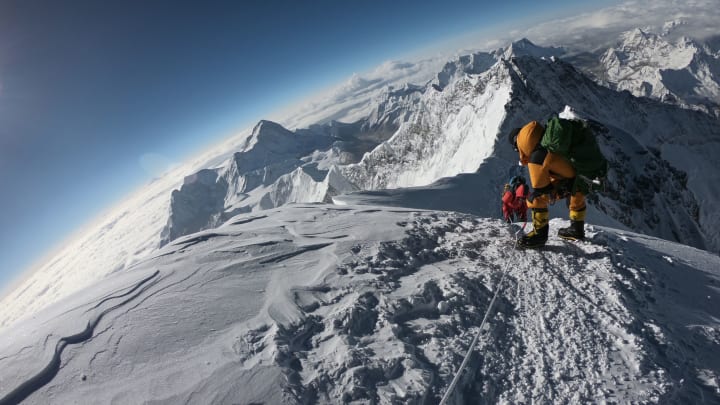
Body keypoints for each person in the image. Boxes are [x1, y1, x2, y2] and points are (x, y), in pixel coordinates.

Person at [508, 116, 607, 248]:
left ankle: (539, 235)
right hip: (582, 171)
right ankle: (576, 229)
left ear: (518, 146)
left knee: (535, 198)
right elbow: (557, 164)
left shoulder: (536, 157)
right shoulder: (550, 143)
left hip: (571, 175)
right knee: (576, 191)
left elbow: (541, 189)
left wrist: (553, 190)